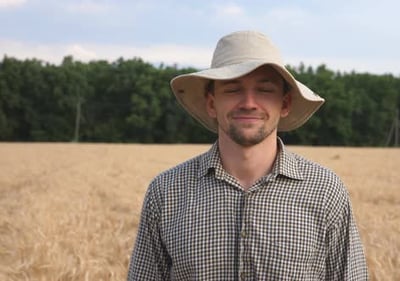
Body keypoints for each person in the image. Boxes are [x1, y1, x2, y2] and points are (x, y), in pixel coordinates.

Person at [128, 30, 368, 280]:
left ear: (285, 104)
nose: (249, 103)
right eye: (233, 90)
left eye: (264, 90)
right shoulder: (166, 191)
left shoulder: (325, 190)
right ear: (212, 103)